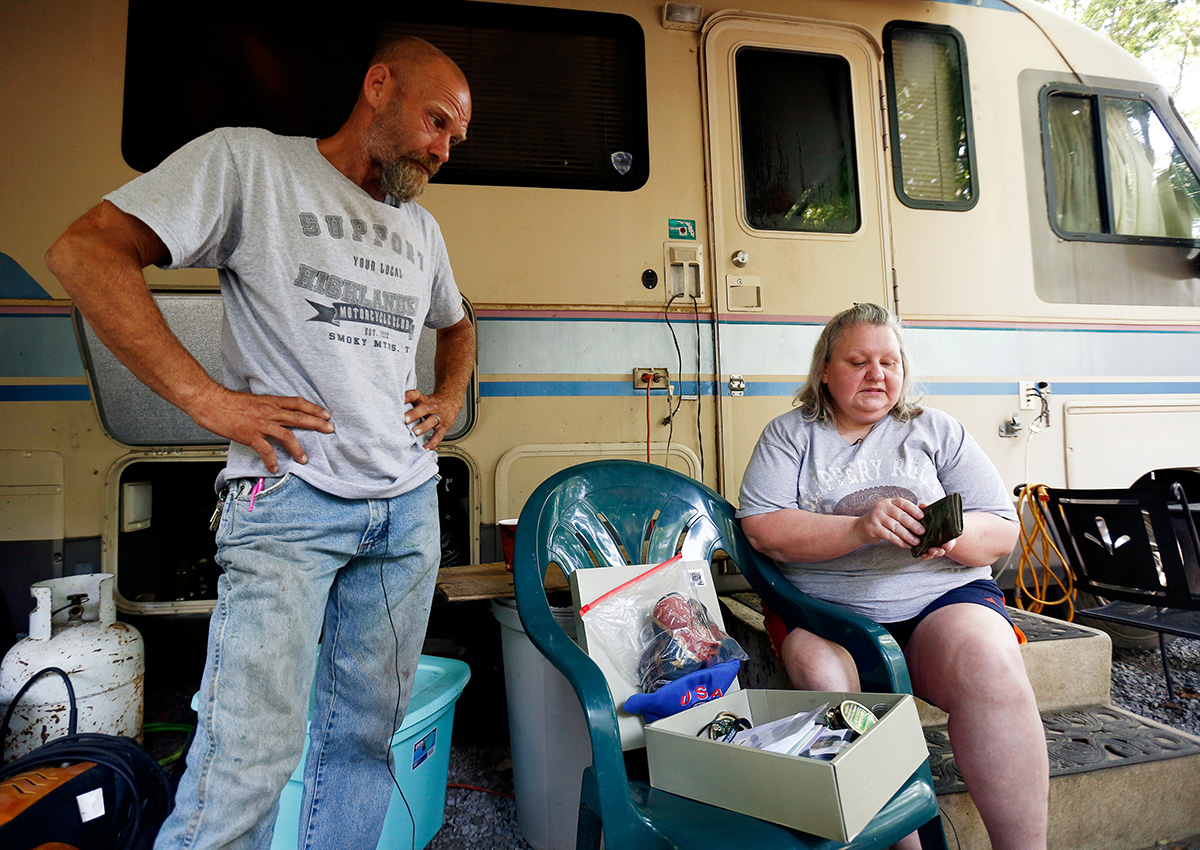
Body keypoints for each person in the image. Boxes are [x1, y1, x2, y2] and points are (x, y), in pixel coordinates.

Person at [45, 37, 475, 850]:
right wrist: (210, 401)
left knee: (363, 743)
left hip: (407, 511)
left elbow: (459, 324)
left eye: (455, 138)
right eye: (437, 122)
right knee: (248, 757)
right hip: (291, 502)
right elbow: (87, 252)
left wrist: (448, 396)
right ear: (377, 85)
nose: (444, 149)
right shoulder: (249, 165)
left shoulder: (421, 230)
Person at [737, 303, 1048, 850]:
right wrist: (858, 529)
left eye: (889, 361)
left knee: (991, 663)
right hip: (828, 615)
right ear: (825, 371)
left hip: (942, 601)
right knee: (821, 674)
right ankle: (899, 844)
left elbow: (1000, 527)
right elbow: (764, 528)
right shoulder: (790, 435)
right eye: (858, 361)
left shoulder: (936, 430)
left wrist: (951, 536)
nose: (876, 374)